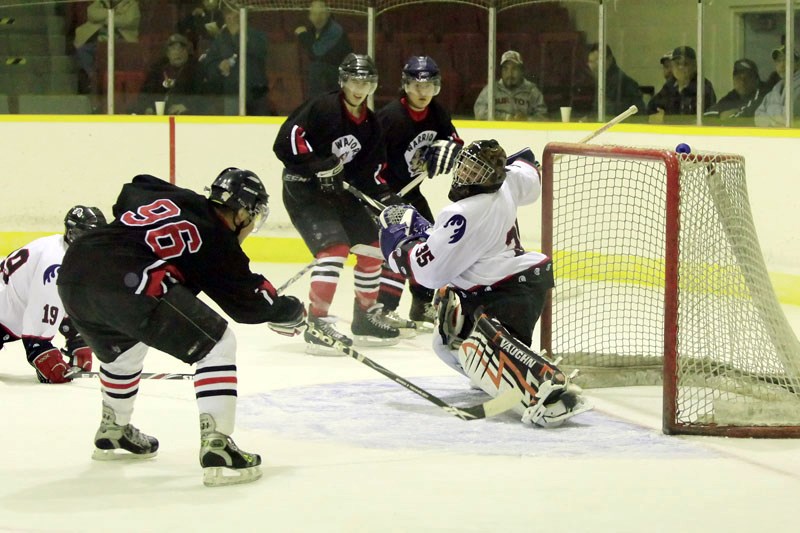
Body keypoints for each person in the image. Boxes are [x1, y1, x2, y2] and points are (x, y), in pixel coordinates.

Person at [56, 168, 306, 487]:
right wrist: (288, 310)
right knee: (217, 344)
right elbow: (249, 304)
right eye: (252, 216)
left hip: (75, 273)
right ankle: (218, 446)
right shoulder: (219, 243)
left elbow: (134, 186)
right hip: (130, 279)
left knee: (123, 352)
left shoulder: (177, 198)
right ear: (242, 212)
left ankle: (114, 430)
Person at [377, 140, 591, 427]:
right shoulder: (508, 181)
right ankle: (497, 377)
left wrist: (397, 241)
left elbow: (427, 273)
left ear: (491, 175)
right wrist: (516, 163)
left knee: (469, 343)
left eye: (476, 172)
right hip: (517, 284)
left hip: (502, 292)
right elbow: (529, 171)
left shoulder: (462, 214)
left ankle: (550, 395)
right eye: (465, 167)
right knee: (446, 340)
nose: (467, 176)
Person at [273, 53, 403, 355]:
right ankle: (317, 324)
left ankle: (365, 317)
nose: (360, 87)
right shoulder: (322, 107)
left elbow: (372, 173)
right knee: (334, 250)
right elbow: (286, 140)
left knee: (373, 249)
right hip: (303, 190)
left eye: (366, 81)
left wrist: (387, 199)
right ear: (343, 80)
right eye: (355, 80)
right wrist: (318, 166)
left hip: (338, 195)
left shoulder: (371, 124)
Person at [376, 55, 463, 332]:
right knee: (399, 246)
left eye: (429, 86)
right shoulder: (390, 117)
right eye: (416, 86)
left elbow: (453, 137)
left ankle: (421, 304)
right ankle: (384, 308)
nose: (422, 93)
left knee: (429, 242)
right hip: (384, 192)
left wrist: (450, 148)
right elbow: (370, 156)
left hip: (410, 193)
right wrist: (381, 192)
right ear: (405, 86)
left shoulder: (437, 112)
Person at [1, 206, 106, 384]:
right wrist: (40, 351)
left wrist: (76, 338)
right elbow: (40, 311)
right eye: (86, 235)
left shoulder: (71, 254)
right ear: (71, 232)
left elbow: (65, 300)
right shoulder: (55, 263)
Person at [199, 3, 269, 115]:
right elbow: (209, 64)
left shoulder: (257, 36)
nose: (232, 18)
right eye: (228, 14)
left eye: (236, 15)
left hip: (256, 93)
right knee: (233, 128)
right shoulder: (219, 40)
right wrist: (219, 66)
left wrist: (238, 34)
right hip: (231, 94)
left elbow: (260, 53)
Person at [74, 0, 141, 95]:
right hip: (99, 41)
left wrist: (105, 19)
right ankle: (93, 77)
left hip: (121, 43)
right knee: (82, 50)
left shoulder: (131, 3)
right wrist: (112, 14)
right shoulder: (101, 1)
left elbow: (128, 20)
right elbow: (92, 14)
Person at [131, 33, 205, 115]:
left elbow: (204, 96)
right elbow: (145, 93)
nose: (178, 53)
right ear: (167, 53)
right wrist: (147, 107)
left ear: (187, 52)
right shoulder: (157, 69)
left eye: (182, 49)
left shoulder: (196, 70)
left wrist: (186, 106)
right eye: (174, 49)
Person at [295, 0, 353, 99]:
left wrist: (302, 35)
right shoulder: (313, 31)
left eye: (321, 13)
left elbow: (317, 52)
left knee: (316, 68)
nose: (318, 18)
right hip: (325, 81)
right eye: (314, 14)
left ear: (328, 14)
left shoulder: (335, 29)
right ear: (310, 16)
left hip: (341, 78)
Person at [648, 46, 716, 123]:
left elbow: (705, 118)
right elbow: (652, 106)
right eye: (677, 64)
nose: (680, 67)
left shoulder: (703, 87)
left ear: (694, 66)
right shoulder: (669, 86)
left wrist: (666, 118)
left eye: (685, 64)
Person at [473, 50, 548, 121]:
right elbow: (479, 112)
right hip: (497, 133)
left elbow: (543, 117)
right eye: (506, 69)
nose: (510, 74)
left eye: (514, 69)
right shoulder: (491, 89)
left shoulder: (532, 91)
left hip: (523, 133)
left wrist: (527, 119)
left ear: (522, 71)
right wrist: (506, 117)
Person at [584, 43, 645, 119]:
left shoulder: (624, 83)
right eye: (590, 62)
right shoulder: (599, 81)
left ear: (609, 60)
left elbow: (640, 111)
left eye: (597, 61)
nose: (593, 66)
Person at [704, 58, 769, 124]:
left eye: (747, 78)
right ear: (733, 79)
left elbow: (746, 115)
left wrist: (734, 113)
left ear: (756, 80)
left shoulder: (764, 93)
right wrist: (721, 114)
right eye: (738, 78)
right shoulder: (733, 95)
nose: (742, 82)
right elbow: (707, 115)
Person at [754, 46, 800, 127]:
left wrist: (770, 109)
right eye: (778, 61)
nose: (782, 65)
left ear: (797, 63)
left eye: (787, 60)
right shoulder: (776, 89)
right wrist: (773, 123)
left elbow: (789, 118)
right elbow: (757, 117)